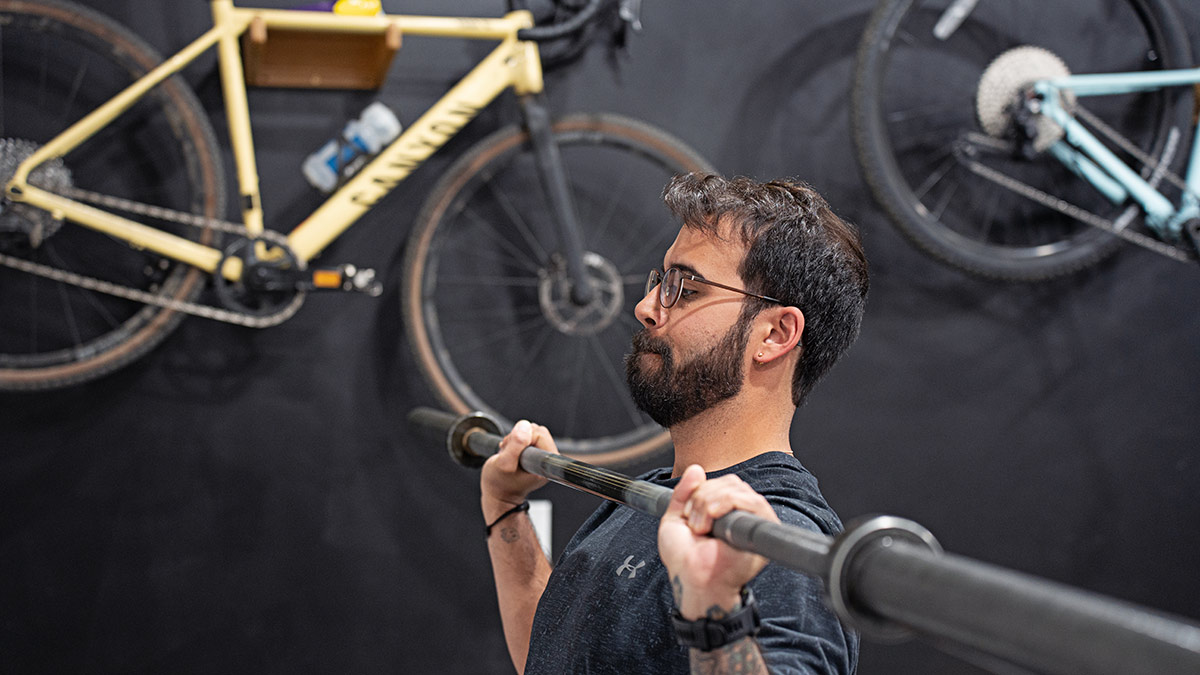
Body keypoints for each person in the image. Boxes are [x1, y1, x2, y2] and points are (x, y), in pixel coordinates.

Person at [480, 172, 869, 674]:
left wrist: (716, 613)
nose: (645, 308)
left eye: (685, 289)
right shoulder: (646, 498)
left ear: (774, 334)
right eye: (660, 282)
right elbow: (556, 657)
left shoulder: (780, 540)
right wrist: (505, 506)